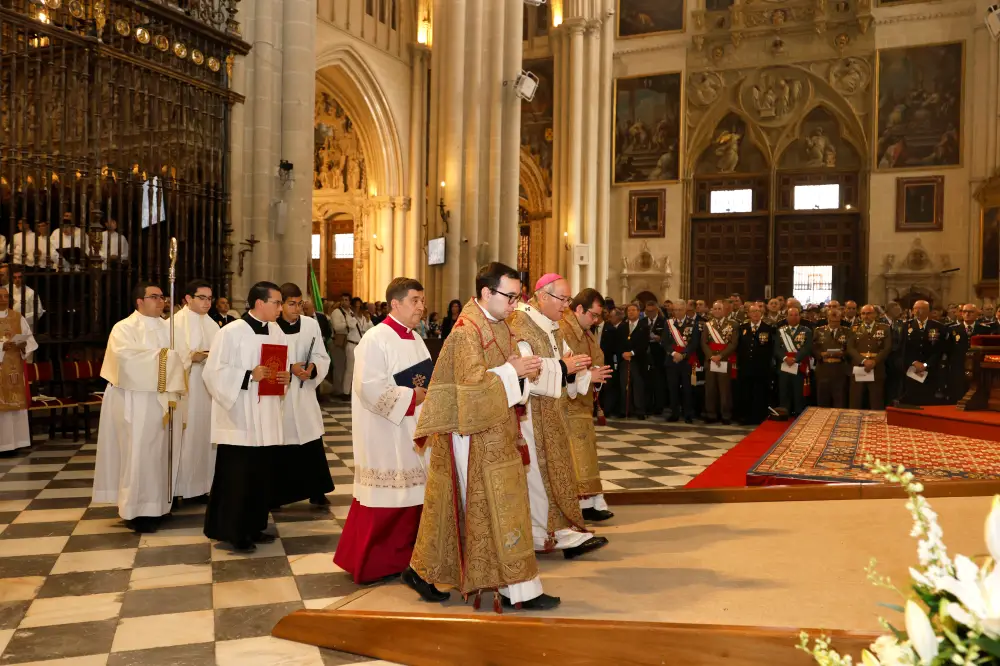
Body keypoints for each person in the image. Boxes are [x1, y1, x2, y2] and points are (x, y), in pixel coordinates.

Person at [408, 262, 557, 611]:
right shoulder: (465, 332)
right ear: (486, 293)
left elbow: (508, 380)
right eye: (509, 296)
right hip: (470, 437)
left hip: (498, 430)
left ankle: (517, 586)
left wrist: (521, 371)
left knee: (507, 508)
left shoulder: (501, 325)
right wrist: (512, 371)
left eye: (518, 297)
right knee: (489, 509)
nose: (514, 304)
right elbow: (471, 388)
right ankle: (514, 587)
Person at [334, 277, 432, 583]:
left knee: (415, 495)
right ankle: (376, 563)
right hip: (385, 430)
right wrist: (411, 397)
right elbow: (368, 387)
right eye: (414, 300)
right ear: (395, 304)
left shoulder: (416, 339)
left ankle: (410, 560)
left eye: (422, 300)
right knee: (388, 498)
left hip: (415, 426)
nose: (421, 306)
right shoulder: (375, 339)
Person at [508, 273, 609, 558]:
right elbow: (528, 371)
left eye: (567, 300)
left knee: (557, 472)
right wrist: (565, 368)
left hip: (553, 413)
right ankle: (547, 535)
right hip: (531, 415)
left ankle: (560, 530)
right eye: (562, 299)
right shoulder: (521, 324)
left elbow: (567, 366)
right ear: (542, 296)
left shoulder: (552, 326)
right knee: (539, 476)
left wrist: (585, 374)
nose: (565, 306)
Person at [202, 281, 290, 552]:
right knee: (237, 477)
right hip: (239, 416)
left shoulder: (277, 332)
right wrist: (248, 375)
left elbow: (279, 367)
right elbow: (212, 372)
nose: (280, 307)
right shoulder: (230, 332)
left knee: (260, 475)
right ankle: (233, 532)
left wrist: (284, 378)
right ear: (259, 303)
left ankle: (254, 526)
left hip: (266, 413)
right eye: (276, 302)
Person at [93, 282, 186, 533]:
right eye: (154, 297)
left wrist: (177, 356)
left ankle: (159, 506)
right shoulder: (124, 328)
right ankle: (136, 510)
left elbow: (182, 356)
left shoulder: (170, 328)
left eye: (162, 297)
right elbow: (125, 359)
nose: (161, 301)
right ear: (139, 302)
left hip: (163, 399)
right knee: (139, 453)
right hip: (134, 398)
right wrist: (165, 357)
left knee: (161, 452)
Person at [272, 283, 334, 507]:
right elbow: (263, 358)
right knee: (280, 442)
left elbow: (321, 355)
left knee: (310, 439)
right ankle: (276, 495)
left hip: (304, 393)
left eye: (300, 304)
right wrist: (290, 368)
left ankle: (316, 490)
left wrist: (313, 369)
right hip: (281, 395)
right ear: (280, 305)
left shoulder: (310, 325)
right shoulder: (270, 327)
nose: (297, 309)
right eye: (291, 304)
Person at [559, 288, 614, 522]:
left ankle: (590, 502)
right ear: (579, 309)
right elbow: (564, 365)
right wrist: (588, 376)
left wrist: (596, 376)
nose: (596, 320)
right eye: (593, 315)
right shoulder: (562, 329)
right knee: (575, 457)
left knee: (586, 454)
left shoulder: (586, 331)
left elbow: (595, 359)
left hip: (582, 404)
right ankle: (581, 506)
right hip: (567, 405)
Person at [172, 279, 219, 503]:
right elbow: (169, 356)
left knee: (206, 436)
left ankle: (203, 486)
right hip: (187, 387)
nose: (207, 302)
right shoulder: (174, 323)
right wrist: (192, 357)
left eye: (210, 298)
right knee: (187, 436)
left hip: (208, 388)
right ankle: (182, 488)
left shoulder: (213, 324)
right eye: (202, 298)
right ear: (188, 298)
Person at [0, 286, 35, 456]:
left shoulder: (17, 317)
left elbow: (30, 340)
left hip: (14, 367)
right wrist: (1, 346)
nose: (3, 299)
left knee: (14, 406)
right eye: (0, 296)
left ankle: (16, 443)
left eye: (6, 296)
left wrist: (23, 346)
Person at [944, 304, 992, 404]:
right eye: (965, 311)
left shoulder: (985, 329)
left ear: (977, 314)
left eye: (971, 312)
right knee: (958, 393)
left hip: (978, 367)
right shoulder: (952, 329)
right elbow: (948, 350)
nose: (967, 314)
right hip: (958, 367)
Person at [847, 304, 892, 410]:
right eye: (863, 313)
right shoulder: (854, 328)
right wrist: (863, 360)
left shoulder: (884, 328)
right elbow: (850, 348)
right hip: (859, 366)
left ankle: (876, 423)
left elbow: (887, 347)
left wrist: (874, 361)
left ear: (875, 314)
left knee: (876, 399)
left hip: (877, 367)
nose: (866, 316)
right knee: (856, 398)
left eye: (869, 313)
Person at [900, 300, 945, 406]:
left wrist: (926, 365)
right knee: (911, 398)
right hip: (912, 368)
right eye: (916, 309)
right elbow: (903, 348)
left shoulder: (938, 327)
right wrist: (914, 362)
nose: (918, 311)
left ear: (928, 311)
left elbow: (939, 350)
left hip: (930, 369)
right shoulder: (906, 326)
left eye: (921, 309)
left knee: (927, 399)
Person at [701, 299, 738, 425]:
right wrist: (711, 356)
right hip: (711, 360)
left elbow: (733, 343)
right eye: (715, 308)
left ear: (725, 310)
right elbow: (704, 343)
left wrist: (721, 355)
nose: (717, 311)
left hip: (725, 360)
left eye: (719, 309)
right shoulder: (708, 325)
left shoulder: (732, 325)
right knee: (710, 388)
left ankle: (725, 414)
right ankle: (711, 414)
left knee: (724, 390)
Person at [736, 304, 774, 425]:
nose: (756, 313)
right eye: (753, 311)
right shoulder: (743, 328)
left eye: (758, 311)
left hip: (761, 367)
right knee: (745, 392)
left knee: (760, 392)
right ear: (748, 314)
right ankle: (745, 416)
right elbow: (739, 347)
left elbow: (771, 349)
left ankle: (759, 417)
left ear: (761, 313)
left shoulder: (768, 328)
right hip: (746, 366)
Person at [664, 301, 699, 424]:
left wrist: (683, 355)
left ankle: (688, 414)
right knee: (673, 388)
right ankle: (674, 413)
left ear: (685, 310)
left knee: (687, 388)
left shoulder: (693, 323)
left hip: (687, 361)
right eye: (675, 310)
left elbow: (694, 343)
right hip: (671, 360)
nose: (677, 312)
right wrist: (674, 354)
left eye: (680, 309)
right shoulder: (669, 323)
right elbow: (665, 342)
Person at [775, 306, 812, 417]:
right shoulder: (780, 331)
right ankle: (784, 412)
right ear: (786, 317)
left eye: (796, 315)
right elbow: (776, 348)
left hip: (799, 364)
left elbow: (807, 347)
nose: (794, 317)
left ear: (800, 316)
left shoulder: (806, 331)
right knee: (784, 390)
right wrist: (786, 358)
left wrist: (796, 358)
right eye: (791, 315)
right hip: (784, 365)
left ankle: (798, 413)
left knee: (798, 391)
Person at [812, 304, 850, 408]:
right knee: (822, 399)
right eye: (832, 320)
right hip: (823, 369)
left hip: (840, 369)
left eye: (837, 321)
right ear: (827, 319)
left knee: (840, 399)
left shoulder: (847, 331)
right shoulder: (819, 331)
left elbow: (851, 348)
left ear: (840, 319)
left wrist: (842, 354)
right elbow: (813, 347)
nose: (834, 323)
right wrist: (821, 354)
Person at [616, 303, 649, 419]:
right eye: (629, 310)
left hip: (638, 360)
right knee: (624, 384)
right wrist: (623, 353)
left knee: (638, 385)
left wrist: (632, 353)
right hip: (625, 359)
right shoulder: (622, 326)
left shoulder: (644, 326)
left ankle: (640, 410)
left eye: (633, 310)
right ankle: (625, 409)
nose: (631, 312)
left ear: (638, 312)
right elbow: (618, 343)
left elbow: (644, 344)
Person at [644, 300, 666, 416]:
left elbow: (667, 338)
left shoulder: (663, 322)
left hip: (659, 356)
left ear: (657, 310)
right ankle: (647, 405)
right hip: (646, 355)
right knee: (647, 382)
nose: (650, 313)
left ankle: (658, 406)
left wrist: (660, 339)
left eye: (652, 311)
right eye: (648, 311)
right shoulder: (643, 322)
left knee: (659, 383)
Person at [329, 292, 354, 397]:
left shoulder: (351, 312)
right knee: (339, 367)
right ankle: (337, 391)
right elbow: (337, 327)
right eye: (343, 299)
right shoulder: (337, 312)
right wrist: (348, 323)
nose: (345, 301)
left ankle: (345, 389)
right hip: (338, 341)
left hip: (348, 341)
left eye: (346, 299)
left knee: (347, 368)